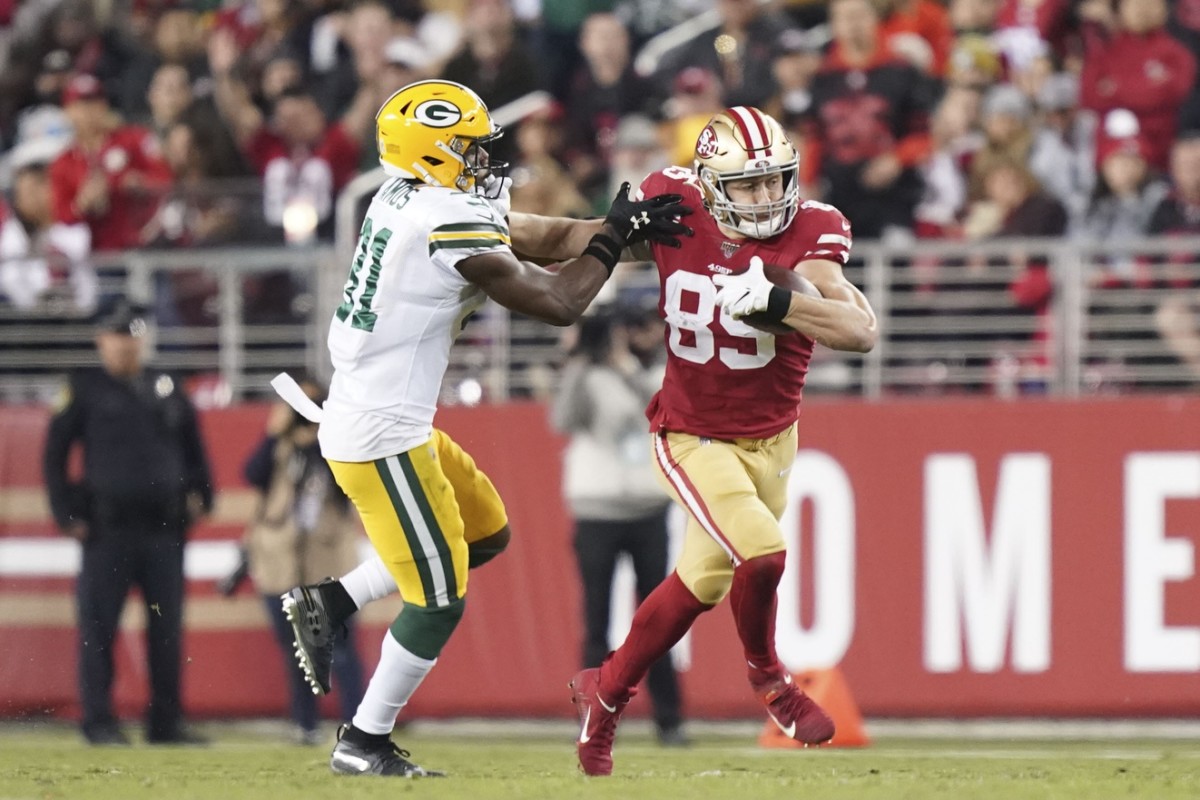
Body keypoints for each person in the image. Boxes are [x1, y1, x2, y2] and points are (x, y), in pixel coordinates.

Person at [276, 78, 691, 778]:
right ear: (432, 154)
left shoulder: (406, 195)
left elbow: (551, 236)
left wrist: (625, 234)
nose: (483, 161)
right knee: (438, 603)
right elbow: (560, 301)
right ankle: (362, 742)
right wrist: (616, 235)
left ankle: (332, 601)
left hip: (389, 419)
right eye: (466, 149)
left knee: (484, 536)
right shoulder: (441, 222)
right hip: (382, 436)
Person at [564, 106, 878, 776]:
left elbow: (859, 329)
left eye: (776, 181)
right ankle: (770, 679)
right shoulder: (674, 205)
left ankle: (607, 693)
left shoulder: (814, 227)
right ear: (708, 184)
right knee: (762, 554)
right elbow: (570, 238)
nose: (768, 198)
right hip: (691, 434)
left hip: (773, 440)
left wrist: (782, 305)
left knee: (699, 582)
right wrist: (490, 234)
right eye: (749, 185)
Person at [42, 300, 214, 746]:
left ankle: (166, 723)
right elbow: (54, 456)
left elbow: (193, 447)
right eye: (118, 338)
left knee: (166, 632)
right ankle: (99, 721)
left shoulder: (166, 386)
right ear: (102, 340)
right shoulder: (84, 388)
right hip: (107, 533)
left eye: (133, 338)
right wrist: (67, 514)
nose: (125, 347)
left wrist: (203, 494)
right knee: (99, 630)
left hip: (163, 532)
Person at [551, 308, 688, 748]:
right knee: (597, 623)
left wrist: (624, 367)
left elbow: (656, 410)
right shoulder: (586, 378)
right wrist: (577, 364)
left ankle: (670, 719)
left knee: (659, 619)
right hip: (597, 509)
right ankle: (593, 719)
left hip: (647, 507)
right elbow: (563, 419)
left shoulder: (651, 372)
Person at [226, 378, 366, 746]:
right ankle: (305, 726)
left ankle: (359, 726)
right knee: (298, 652)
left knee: (343, 650)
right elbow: (251, 474)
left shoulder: (338, 445)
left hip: (330, 562)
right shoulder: (280, 448)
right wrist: (274, 435)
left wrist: (324, 439)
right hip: (281, 562)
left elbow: (348, 486)